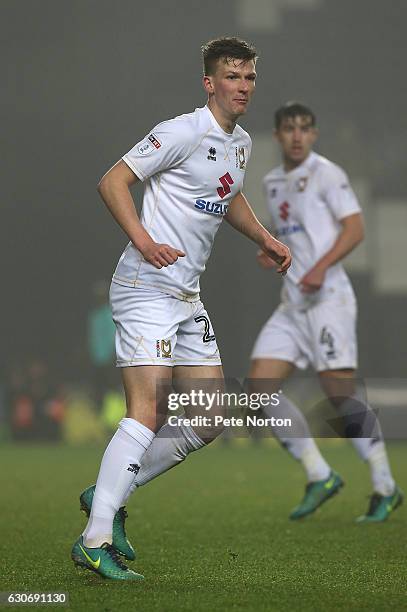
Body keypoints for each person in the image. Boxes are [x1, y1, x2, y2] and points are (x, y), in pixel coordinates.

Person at [71, 37, 291, 581]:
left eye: (250, 77)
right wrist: (144, 240)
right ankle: (94, 538)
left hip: (186, 295)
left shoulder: (238, 143)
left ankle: (108, 492)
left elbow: (228, 193)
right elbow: (113, 180)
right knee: (146, 409)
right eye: (233, 76)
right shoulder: (182, 130)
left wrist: (263, 237)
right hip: (146, 285)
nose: (244, 86)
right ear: (209, 82)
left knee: (210, 417)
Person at [249, 101, 402, 522]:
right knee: (259, 389)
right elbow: (291, 236)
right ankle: (319, 474)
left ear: (314, 134)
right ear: (277, 135)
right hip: (293, 303)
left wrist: (317, 267)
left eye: (305, 128)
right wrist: (275, 254)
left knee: (340, 397)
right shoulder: (273, 181)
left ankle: (385, 486)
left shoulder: (328, 173)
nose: (297, 136)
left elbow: (355, 229)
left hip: (329, 298)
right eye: (289, 128)